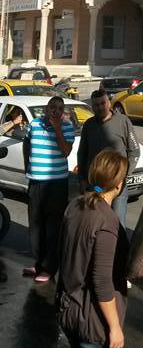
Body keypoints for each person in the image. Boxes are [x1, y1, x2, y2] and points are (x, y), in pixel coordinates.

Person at [57, 149, 129, 348]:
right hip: (92, 322)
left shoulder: (74, 206)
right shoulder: (107, 220)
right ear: (119, 185)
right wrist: (115, 328)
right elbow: (101, 281)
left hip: (68, 310)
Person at [23, 95, 75, 283]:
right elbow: (26, 142)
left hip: (56, 184)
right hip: (36, 182)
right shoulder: (34, 124)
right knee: (36, 226)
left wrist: (57, 129)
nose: (55, 110)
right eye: (52, 107)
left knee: (52, 227)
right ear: (46, 108)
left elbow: (66, 151)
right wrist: (26, 165)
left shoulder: (67, 126)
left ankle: (49, 267)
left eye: (59, 108)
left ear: (62, 112)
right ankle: (38, 263)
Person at [77, 89, 139, 228]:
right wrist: (81, 178)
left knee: (117, 224)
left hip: (117, 186)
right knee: (94, 221)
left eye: (103, 103)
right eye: (96, 105)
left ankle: (117, 249)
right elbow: (82, 153)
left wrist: (123, 175)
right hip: (95, 186)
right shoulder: (88, 125)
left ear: (109, 102)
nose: (100, 107)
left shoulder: (123, 121)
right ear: (92, 107)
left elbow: (134, 152)